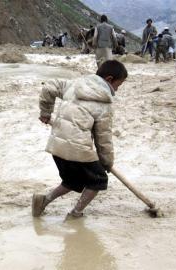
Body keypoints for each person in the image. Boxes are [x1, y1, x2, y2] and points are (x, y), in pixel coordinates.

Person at [32, 60, 128, 218]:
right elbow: (103, 138)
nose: (116, 90)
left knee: (73, 181)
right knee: (99, 180)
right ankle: (76, 213)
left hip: (57, 146)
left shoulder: (74, 84)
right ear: (110, 79)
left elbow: (49, 87)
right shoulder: (104, 105)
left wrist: (45, 112)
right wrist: (106, 162)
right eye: (119, 85)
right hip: (77, 149)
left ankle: (43, 201)